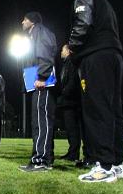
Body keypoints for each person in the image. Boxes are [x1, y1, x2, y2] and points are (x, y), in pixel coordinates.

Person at [68, 0, 123, 183]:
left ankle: (103, 166)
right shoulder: (105, 2)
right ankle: (117, 163)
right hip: (114, 55)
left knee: (96, 107)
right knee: (114, 109)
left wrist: (71, 47)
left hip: (96, 57)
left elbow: (83, 23)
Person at [18, 12, 57, 172]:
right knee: (39, 122)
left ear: (32, 21)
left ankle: (41, 160)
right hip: (38, 83)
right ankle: (44, 158)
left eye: (25, 19)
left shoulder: (40, 32)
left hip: (43, 83)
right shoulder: (35, 34)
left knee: (41, 122)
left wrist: (42, 76)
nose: (22, 22)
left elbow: (46, 55)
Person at [57, 44, 84, 163]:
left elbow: (73, 81)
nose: (60, 52)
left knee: (72, 128)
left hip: (71, 102)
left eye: (62, 50)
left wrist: (64, 93)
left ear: (68, 51)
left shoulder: (71, 63)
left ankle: (74, 154)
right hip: (68, 101)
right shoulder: (67, 63)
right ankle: (72, 152)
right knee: (70, 128)